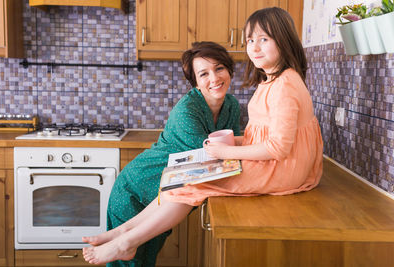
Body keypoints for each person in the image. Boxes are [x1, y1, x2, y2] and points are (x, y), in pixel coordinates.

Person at [82, 7, 323, 265]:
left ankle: (125, 239)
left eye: (263, 38)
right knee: (184, 182)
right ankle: (123, 234)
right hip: (140, 185)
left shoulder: (277, 86)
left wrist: (228, 150)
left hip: (284, 168)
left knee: (188, 181)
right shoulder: (194, 108)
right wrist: (227, 150)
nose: (254, 46)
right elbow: (240, 147)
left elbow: (272, 146)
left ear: (284, 39)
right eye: (250, 40)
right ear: (195, 81)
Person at [82, 41, 240, 267]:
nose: (214, 79)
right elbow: (212, 159)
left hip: (166, 198)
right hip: (136, 191)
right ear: (195, 82)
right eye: (204, 74)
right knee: (128, 262)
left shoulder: (232, 105)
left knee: (146, 260)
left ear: (229, 70)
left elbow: (230, 149)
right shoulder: (187, 110)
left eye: (219, 68)